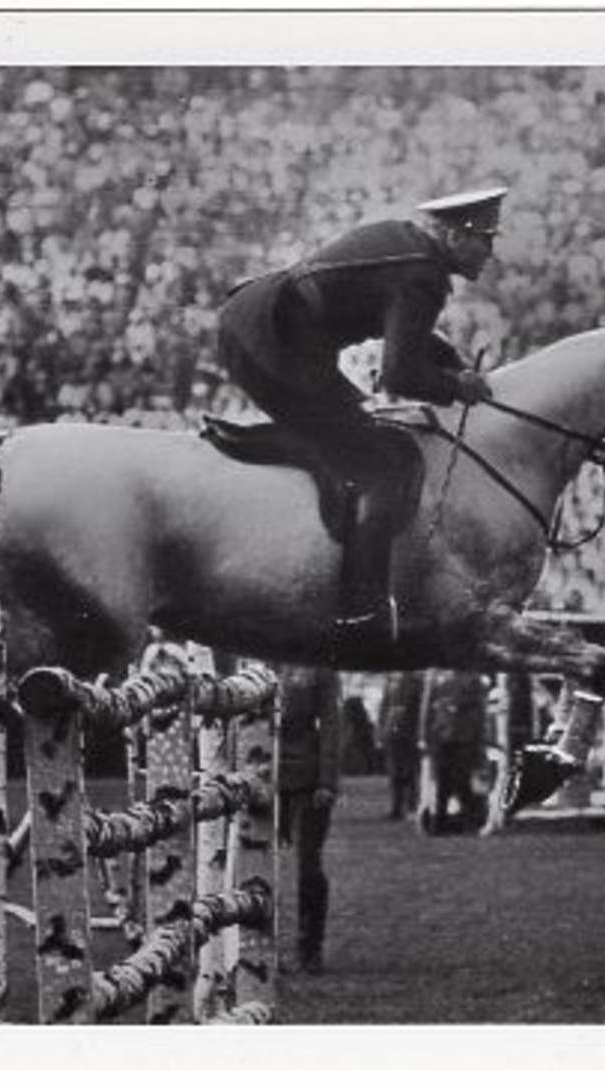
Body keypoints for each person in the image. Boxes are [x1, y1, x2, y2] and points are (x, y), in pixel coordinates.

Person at [216, 187, 508, 648]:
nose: (490, 253)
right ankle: (362, 610)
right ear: (453, 236)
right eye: (484, 239)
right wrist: (458, 386)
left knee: (359, 433)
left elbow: (411, 338)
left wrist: (449, 364)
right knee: (387, 465)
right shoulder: (423, 275)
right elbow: (399, 375)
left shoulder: (410, 247)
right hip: (269, 342)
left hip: (261, 323)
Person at [275, 663, 346, 974]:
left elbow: (331, 723)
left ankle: (310, 948)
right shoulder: (255, 656)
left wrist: (327, 781)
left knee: (309, 866)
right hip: (262, 773)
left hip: (308, 777)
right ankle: (257, 948)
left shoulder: (319, 664)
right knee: (252, 864)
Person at [420, 669, 489, 835]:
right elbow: (430, 706)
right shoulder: (438, 676)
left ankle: (469, 820)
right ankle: (441, 822)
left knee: (461, 780)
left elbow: (474, 705)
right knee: (444, 781)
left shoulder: (472, 678)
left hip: (463, 736)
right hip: (444, 735)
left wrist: (453, 704)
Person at [377, 670, 425, 820]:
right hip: (396, 733)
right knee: (397, 772)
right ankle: (398, 807)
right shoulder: (393, 681)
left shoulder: (413, 681)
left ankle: (409, 806)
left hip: (407, 732)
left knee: (408, 772)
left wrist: (385, 729)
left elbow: (400, 708)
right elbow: (386, 708)